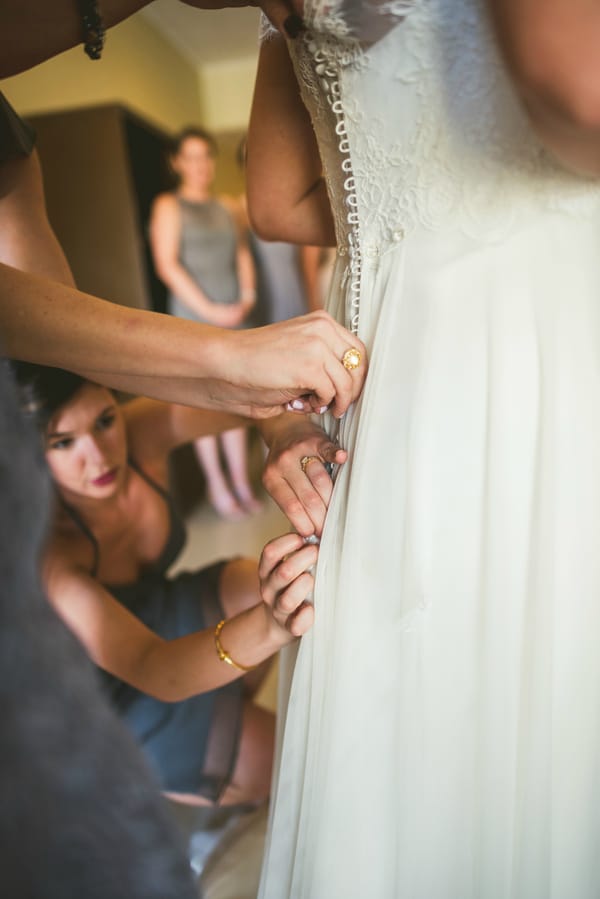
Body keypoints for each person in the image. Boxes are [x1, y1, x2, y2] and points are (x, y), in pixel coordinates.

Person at [247, 2, 600, 896]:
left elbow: (277, 199)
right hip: (536, 333)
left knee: (419, 703)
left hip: (396, 357)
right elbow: (577, 90)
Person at [10, 361, 317, 806]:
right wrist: (270, 627)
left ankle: (225, 715)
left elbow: (246, 399)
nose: (97, 455)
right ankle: (199, 773)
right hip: (119, 695)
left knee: (268, 585)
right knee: (289, 763)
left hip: (163, 610)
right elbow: (155, 668)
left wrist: (286, 430)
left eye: (104, 420)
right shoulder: (51, 559)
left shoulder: (135, 432)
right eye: (62, 442)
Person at [150, 128, 263, 519]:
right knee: (204, 405)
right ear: (176, 162)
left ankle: (241, 482)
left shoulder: (228, 207)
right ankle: (217, 486)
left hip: (236, 313)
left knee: (235, 403)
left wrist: (245, 298)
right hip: (195, 319)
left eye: (206, 157)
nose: (200, 165)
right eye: (191, 157)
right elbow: (167, 266)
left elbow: (243, 255)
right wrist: (211, 311)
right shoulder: (168, 205)